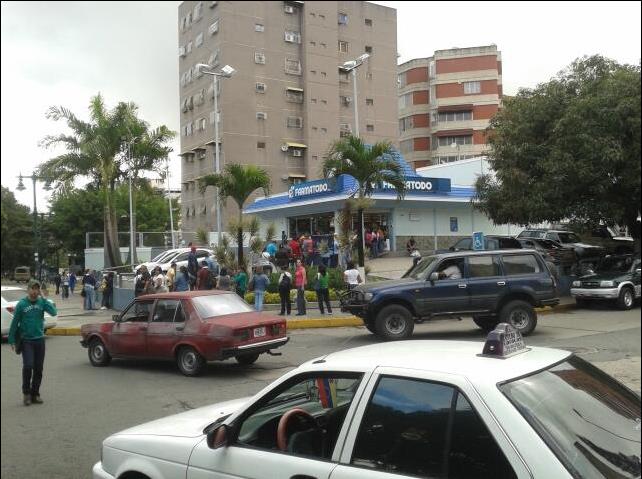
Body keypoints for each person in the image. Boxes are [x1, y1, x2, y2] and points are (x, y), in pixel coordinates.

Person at [8, 279, 58, 406]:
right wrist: (12, 340)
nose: (35, 291)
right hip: (27, 340)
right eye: (33, 289)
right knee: (28, 366)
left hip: (39, 339)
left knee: (38, 368)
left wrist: (44, 298)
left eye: (37, 289)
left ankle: (35, 394)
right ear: (28, 289)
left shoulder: (42, 302)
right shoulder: (22, 304)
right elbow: (15, 323)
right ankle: (26, 393)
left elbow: (53, 312)